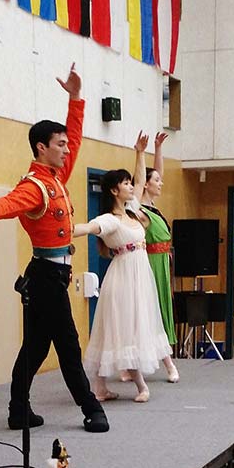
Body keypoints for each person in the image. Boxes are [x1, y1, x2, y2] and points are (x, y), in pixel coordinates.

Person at [0, 63, 108, 433]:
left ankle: (18, 409)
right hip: (47, 278)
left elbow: (77, 138)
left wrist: (75, 99)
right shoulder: (36, 184)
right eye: (60, 145)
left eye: (66, 145)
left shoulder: (57, 178)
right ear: (42, 147)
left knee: (35, 348)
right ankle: (91, 408)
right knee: (67, 344)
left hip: (49, 276)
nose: (68, 150)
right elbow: (11, 202)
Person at [73, 139, 172, 403]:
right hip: (123, 277)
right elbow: (89, 228)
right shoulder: (110, 219)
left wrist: (139, 153)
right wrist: (64, 228)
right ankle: (139, 385)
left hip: (139, 275)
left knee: (132, 324)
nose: (131, 186)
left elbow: (141, 182)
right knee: (122, 327)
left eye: (129, 182)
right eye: (125, 183)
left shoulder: (132, 211)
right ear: (115, 190)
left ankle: (101, 387)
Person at [136, 132, 179, 382]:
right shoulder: (140, 208)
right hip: (150, 263)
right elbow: (145, 176)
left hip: (162, 262)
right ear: (146, 185)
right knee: (152, 312)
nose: (161, 183)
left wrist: (158, 147)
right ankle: (167, 363)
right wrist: (141, 154)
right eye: (156, 181)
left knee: (161, 310)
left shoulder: (152, 205)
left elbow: (156, 171)